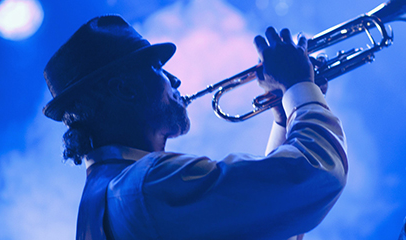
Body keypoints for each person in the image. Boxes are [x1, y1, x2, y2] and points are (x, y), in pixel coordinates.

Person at [42, 15, 347, 240]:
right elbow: (316, 177)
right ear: (125, 89)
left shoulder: (106, 200)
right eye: (157, 69)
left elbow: (275, 221)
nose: (174, 81)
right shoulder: (145, 185)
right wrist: (299, 86)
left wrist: (285, 118)